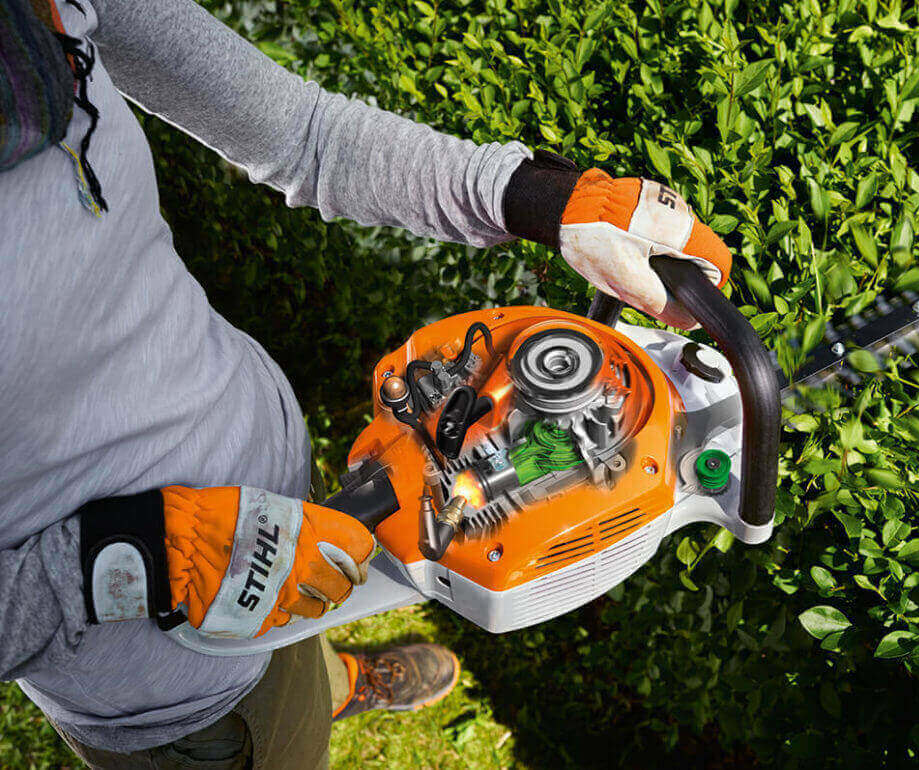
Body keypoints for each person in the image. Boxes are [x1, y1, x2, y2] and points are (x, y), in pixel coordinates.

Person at [0, 0, 733, 765]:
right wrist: (128, 557)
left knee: (309, 625)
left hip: (278, 481)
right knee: (281, 730)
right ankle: (307, 705)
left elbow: (305, 135)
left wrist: (542, 199)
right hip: (175, 675)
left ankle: (331, 679)